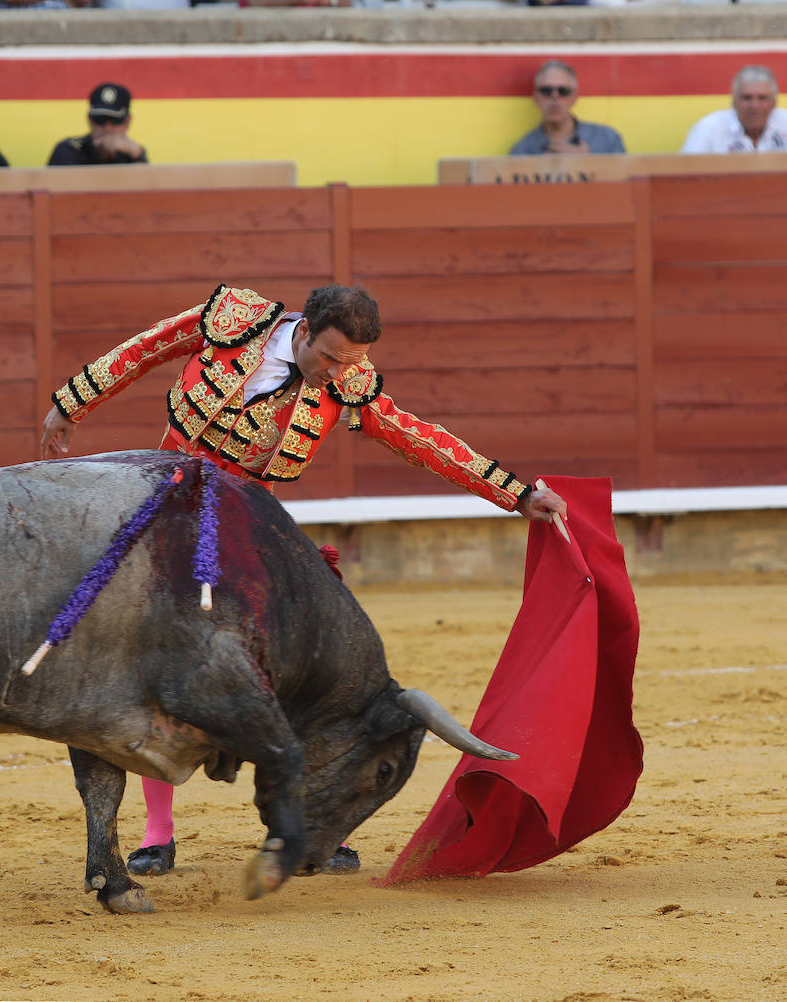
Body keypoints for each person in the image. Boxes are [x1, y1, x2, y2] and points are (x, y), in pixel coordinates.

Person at [39, 283, 568, 878]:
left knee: (305, 656)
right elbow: (141, 350)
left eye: (353, 360)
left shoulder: (349, 383)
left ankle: (311, 815)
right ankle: (158, 831)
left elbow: (420, 438)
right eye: (332, 355)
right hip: (164, 502)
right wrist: (70, 404)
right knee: (144, 654)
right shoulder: (232, 322)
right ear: (305, 329)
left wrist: (517, 494)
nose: (339, 370)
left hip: (248, 522)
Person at [509, 60, 625, 156]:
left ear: (574, 97)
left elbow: (624, 181)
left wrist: (588, 163)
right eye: (546, 91)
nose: (555, 97)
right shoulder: (522, 151)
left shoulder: (607, 139)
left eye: (563, 91)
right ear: (535, 98)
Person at [680, 65, 787, 154]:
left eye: (762, 98)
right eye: (746, 98)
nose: (754, 105)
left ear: (774, 103)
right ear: (734, 102)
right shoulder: (709, 128)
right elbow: (685, 172)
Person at [47, 83, 148, 166]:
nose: (107, 128)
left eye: (115, 120)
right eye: (100, 120)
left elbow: (149, 187)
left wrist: (138, 156)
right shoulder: (69, 150)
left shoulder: (133, 154)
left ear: (127, 122)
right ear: (89, 120)